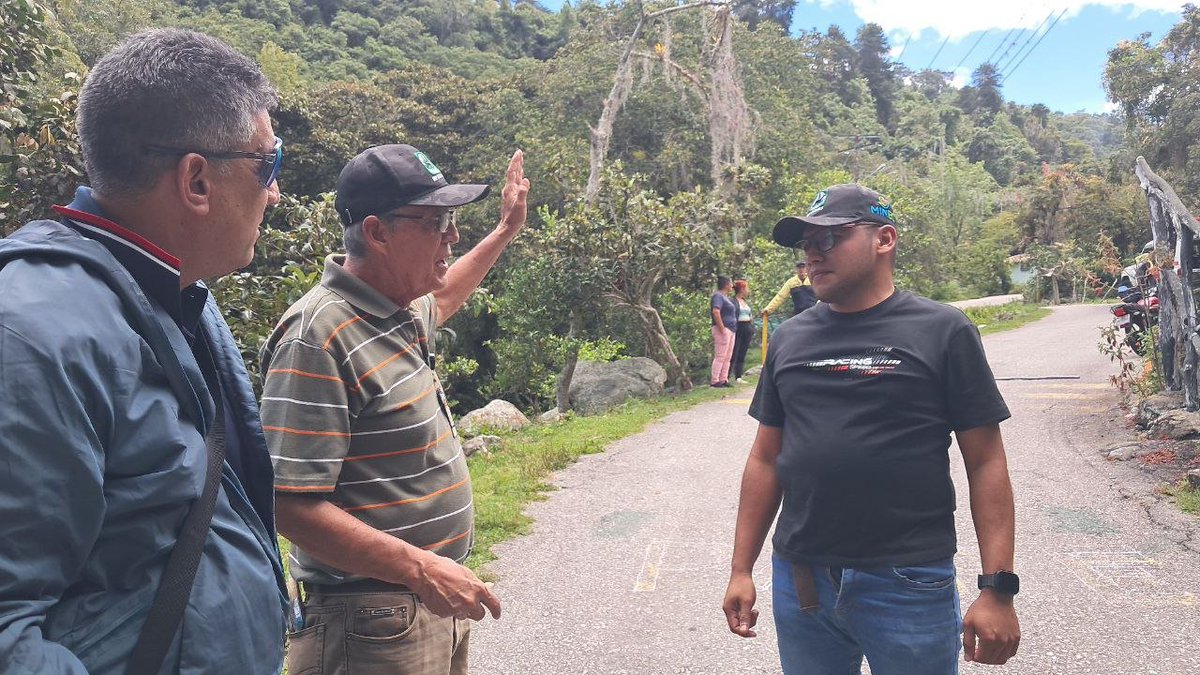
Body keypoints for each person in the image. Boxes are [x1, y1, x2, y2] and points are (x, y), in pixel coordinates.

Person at [0, 29, 287, 673]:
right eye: (267, 164)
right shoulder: (34, 334)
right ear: (196, 180)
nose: (274, 193)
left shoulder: (170, 294)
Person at [722, 184, 1020, 674]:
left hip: (908, 580)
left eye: (830, 238)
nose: (813, 254)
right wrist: (741, 568)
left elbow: (986, 461)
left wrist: (998, 588)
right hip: (802, 580)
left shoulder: (943, 330)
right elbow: (766, 458)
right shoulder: (791, 337)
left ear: (884, 239)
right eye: (807, 244)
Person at [260, 143, 529, 675]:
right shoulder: (318, 335)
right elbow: (287, 506)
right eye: (435, 222)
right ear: (379, 233)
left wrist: (504, 231)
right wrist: (421, 569)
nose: (451, 235)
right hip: (368, 622)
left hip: (423, 603)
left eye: (451, 220)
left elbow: (446, 296)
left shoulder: (394, 311)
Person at [710, 275, 737, 387]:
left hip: (731, 329)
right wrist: (722, 328)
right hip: (723, 329)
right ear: (726, 284)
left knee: (728, 356)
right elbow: (716, 311)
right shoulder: (718, 296)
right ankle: (715, 380)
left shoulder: (727, 298)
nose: (732, 286)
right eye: (731, 283)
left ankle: (723, 379)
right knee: (720, 355)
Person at [730, 278, 755, 383]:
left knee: (742, 352)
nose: (747, 290)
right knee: (735, 351)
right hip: (738, 327)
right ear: (742, 289)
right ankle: (726, 375)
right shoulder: (733, 301)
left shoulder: (745, 301)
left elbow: (749, 314)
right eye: (746, 288)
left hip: (747, 327)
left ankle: (738, 376)